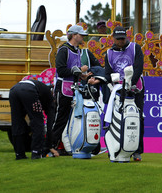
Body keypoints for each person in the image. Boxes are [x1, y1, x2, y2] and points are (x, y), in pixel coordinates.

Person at [51, 24, 104, 154]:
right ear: (74, 35)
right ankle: (50, 146)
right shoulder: (64, 50)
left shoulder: (77, 50)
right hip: (63, 88)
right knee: (60, 119)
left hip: (73, 89)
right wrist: (81, 70)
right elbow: (61, 70)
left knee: (72, 119)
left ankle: (79, 146)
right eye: (81, 35)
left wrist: (83, 76)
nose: (83, 38)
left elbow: (73, 72)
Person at [104, 26, 145, 161]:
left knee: (137, 117)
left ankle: (137, 150)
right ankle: (117, 145)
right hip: (118, 90)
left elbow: (138, 68)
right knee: (116, 117)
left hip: (135, 88)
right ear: (113, 38)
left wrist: (129, 84)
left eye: (123, 38)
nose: (121, 41)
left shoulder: (135, 48)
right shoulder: (109, 53)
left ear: (126, 37)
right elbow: (108, 73)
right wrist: (114, 82)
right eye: (118, 39)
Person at [9, 78, 58, 160]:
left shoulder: (42, 89)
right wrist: (49, 146)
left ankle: (19, 154)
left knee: (17, 123)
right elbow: (50, 123)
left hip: (14, 90)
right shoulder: (50, 99)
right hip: (29, 91)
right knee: (38, 122)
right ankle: (36, 153)